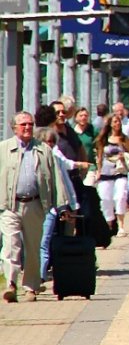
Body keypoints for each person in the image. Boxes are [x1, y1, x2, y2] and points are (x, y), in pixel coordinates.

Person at [0, 112, 71, 302]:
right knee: (10, 246)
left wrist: (62, 205)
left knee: (33, 248)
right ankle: (11, 284)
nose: (27, 127)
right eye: (23, 124)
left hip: (35, 204)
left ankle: (30, 286)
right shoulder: (3, 149)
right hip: (10, 205)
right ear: (14, 128)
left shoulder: (43, 150)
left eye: (30, 124)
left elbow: (56, 178)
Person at [34, 125, 88, 284]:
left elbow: (64, 178)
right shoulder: (33, 158)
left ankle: (40, 276)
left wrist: (67, 205)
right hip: (34, 205)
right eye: (47, 141)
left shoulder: (56, 156)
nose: (50, 145)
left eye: (52, 141)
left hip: (53, 206)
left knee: (44, 241)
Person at [94, 114, 129, 237]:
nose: (117, 124)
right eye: (115, 122)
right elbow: (99, 157)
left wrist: (124, 156)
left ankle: (121, 225)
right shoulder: (103, 139)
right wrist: (98, 171)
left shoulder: (124, 139)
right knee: (105, 199)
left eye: (119, 121)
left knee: (120, 197)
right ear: (110, 124)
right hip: (105, 172)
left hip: (120, 172)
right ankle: (109, 224)